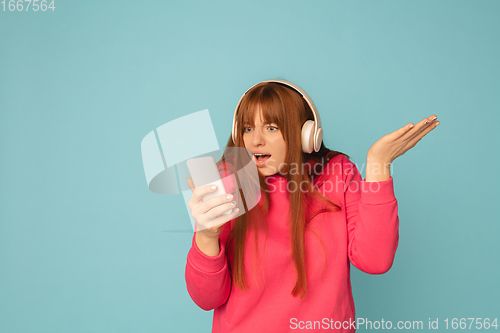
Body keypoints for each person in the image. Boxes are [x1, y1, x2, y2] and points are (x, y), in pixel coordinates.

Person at [184, 80, 440, 332]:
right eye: (248, 129)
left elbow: (375, 261)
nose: (256, 141)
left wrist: (378, 165)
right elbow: (207, 300)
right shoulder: (227, 182)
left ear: (306, 134)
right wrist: (206, 236)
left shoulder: (338, 172)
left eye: (271, 128)